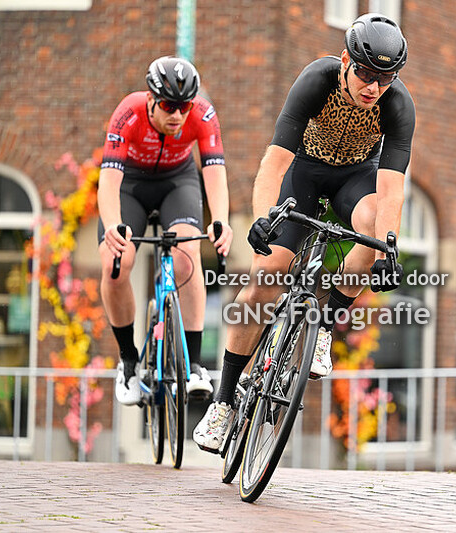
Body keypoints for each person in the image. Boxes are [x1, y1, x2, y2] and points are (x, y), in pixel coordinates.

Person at [194, 13, 415, 452]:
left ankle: (325, 326)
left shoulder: (397, 105)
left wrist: (387, 251)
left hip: (357, 177)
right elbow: (274, 163)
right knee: (266, 277)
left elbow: (391, 191)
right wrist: (263, 218)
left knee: (374, 232)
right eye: (366, 74)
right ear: (345, 61)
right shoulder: (317, 80)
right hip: (305, 173)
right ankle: (223, 401)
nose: (374, 87)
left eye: (385, 78)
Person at [98, 56, 233, 406]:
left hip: (177, 182)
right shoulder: (128, 113)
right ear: (150, 99)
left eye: (184, 106)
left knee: (187, 257)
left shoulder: (202, 114)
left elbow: (214, 172)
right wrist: (112, 226)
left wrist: (221, 219)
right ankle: (129, 361)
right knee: (116, 263)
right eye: (169, 106)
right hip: (131, 185)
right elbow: (109, 180)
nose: (177, 115)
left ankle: (194, 365)